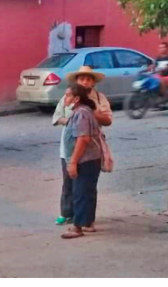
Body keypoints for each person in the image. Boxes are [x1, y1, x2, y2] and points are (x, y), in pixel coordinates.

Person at [61, 83, 103, 239]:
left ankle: (77, 227)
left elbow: (83, 139)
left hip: (85, 160)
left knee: (80, 193)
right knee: (87, 192)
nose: (65, 98)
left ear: (76, 98)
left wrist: (73, 161)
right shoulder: (80, 112)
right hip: (89, 159)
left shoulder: (81, 114)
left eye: (68, 95)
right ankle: (87, 223)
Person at [52, 87, 75, 226]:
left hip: (85, 150)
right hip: (67, 149)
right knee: (67, 181)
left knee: (83, 184)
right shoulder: (65, 99)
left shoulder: (90, 101)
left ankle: (81, 214)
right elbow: (57, 117)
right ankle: (66, 213)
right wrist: (68, 121)